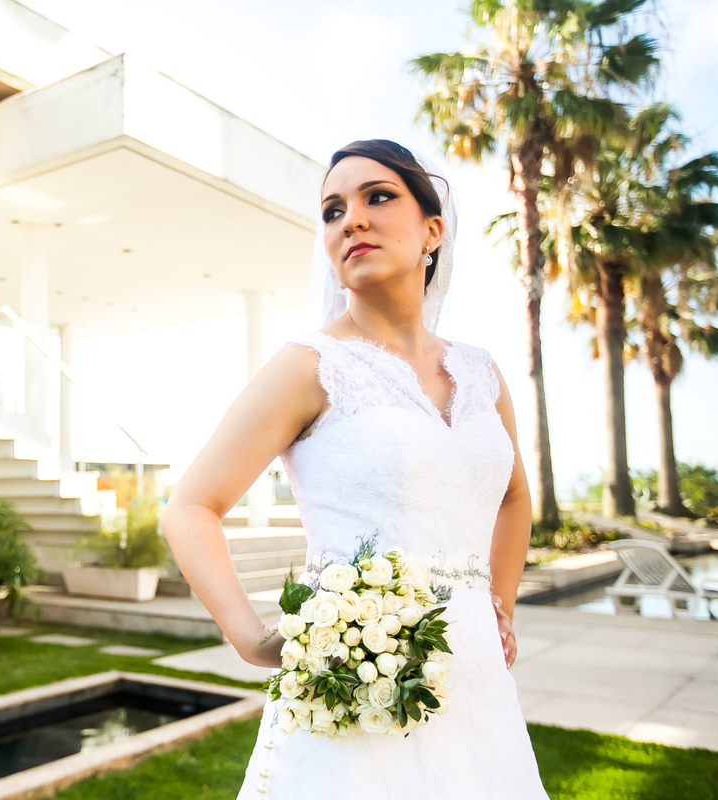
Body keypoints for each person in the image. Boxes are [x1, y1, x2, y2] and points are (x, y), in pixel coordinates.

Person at [162, 139, 548, 798]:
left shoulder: (483, 373)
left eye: (378, 197)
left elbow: (513, 497)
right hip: (356, 680)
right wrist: (252, 637)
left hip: (478, 682)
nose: (352, 220)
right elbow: (190, 508)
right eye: (333, 210)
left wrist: (500, 607)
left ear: (433, 230)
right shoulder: (309, 366)